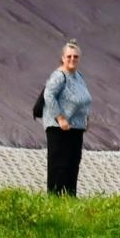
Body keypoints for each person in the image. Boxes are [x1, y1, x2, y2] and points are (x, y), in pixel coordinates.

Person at [41, 40, 92, 196]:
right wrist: (60, 118)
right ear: (63, 58)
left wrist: (86, 120)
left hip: (76, 128)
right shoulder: (59, 76)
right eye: (69, 56)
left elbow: (84, 99)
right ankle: (54, 197)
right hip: (59, 128)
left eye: (75, 57)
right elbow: (48, 95)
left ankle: (70, 197)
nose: (72, 59)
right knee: (58, 165)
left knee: (72, 164)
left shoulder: (79, 76)